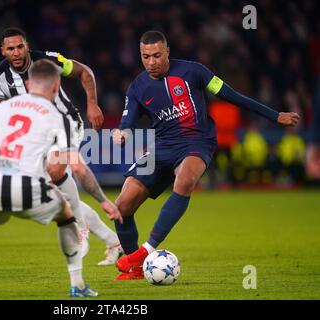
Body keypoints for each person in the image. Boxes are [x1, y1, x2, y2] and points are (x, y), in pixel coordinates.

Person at [112, 30, 300, 280]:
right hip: (162, 147)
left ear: (167, 51)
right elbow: (128, 120)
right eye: (145, 57)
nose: (151, 62)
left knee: (186, 179)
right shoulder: (137, 87)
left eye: (157, 55)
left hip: (197, 141)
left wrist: (274, 115)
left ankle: (144, 251)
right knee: (122, 206)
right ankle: (135, 268)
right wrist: (122, 133)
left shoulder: (194, 72)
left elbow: (232, 96)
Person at [0, 59, 120, 299]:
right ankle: (77, 284)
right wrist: (104, 201)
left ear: (28, 85)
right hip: (28, 188)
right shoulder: (59, 117)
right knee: (67, 215)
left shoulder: (1, 108)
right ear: (55, 85)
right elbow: (79, 169)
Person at [0, 27, 123, 265]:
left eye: (20, 46)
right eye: (11, 48)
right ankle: (114, 242)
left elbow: (85, 72)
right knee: (58, 197)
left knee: (56, 169)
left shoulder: (48, 60)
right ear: (3, 51)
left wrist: (92, 104)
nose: (16, 52)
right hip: (37, 136)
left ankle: (81, 230)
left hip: (66, 123)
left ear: (27, 45)